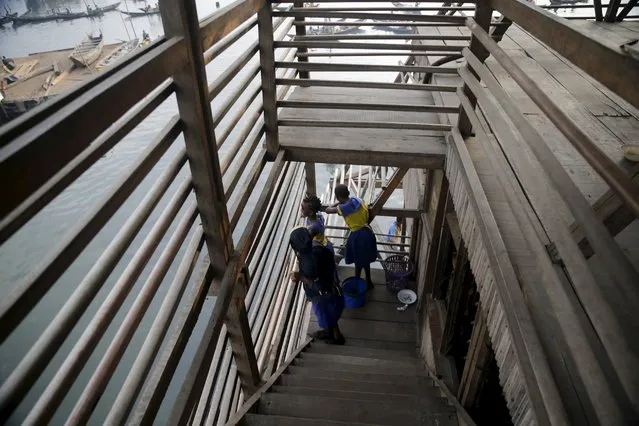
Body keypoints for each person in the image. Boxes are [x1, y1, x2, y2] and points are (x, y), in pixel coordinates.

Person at [289, 227, 345, 344]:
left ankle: (336, 337)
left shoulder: (309, 264)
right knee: (331, 316)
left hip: (323, 296)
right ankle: (329, 331)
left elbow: (317, 285)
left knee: (328, 317)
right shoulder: (318, 248)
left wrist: (300, 277)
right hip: (332, 287)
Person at [325, 184, 378, 290]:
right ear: (348, 193)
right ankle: (368, 280)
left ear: (338, 197)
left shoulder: (343, 207)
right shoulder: (357, 200)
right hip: (368, 232)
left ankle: (357, 282)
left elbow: (327, 210)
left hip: (358, 236)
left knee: (358, 260)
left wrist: (338, 202)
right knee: (365, 258)